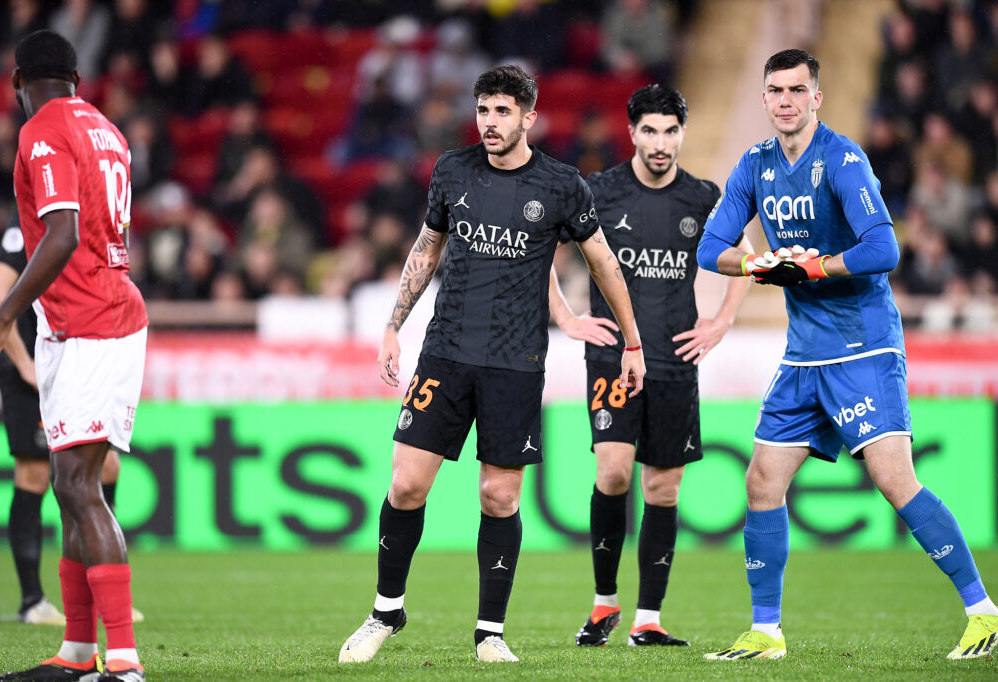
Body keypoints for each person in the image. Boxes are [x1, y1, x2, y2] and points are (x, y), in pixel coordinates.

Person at [696, 48, 998, 661]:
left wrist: (810, 268)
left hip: (864, 344)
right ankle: (765, 632)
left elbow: (884, 248)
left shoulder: (842, 158)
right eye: (775, 91)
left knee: (893, 478)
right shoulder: (754, 165)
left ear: (817, 97)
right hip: (804, 353)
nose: (785, 101)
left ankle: (982, 612)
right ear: (763, 99)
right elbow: (710, 249)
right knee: (762, 481)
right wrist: (765, 266)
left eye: (796, 90)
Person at [338, 64, 646, 665]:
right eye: (483, 110)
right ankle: (385, 611)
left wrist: (630, 341)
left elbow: (601, 264)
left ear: (529, 118)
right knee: (405, 484)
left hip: (514, 363)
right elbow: (428, 248)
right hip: (444, 353)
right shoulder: (452, 171)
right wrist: (392, 326)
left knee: (498, 498)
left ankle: (489, 633)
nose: (490, 122)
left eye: (503, 112)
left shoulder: (561, 186)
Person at [549, 84, 752, 648]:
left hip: (675, 360)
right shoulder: (599, 191)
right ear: (632, 132)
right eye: (650, 131)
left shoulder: (704, 197)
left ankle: (648, 619)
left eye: (670, 131)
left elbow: (748, 253)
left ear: (682, 134)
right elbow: (541, 247)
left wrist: (720, 321)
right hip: (613, 359)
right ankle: (602, 604)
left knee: (663, 489)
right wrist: (566, 318)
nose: (661, 142)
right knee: (613, 472)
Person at [0, 30, 149, 681]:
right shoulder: (106, 128)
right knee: (72, 486)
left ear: (18, 83)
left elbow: (64, 234)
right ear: (77, 77)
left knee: (78, 486)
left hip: (91, 324)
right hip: (96, 317)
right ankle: (79, 656)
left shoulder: (41, 129)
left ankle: (123, 662)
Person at [0, 216, 143, 628]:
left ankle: (99, 595)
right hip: (32, 364)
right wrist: (24, 364)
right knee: (35, 473)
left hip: (73, 358)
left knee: (105, 466)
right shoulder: (29, 229)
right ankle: (32, 601)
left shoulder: (84, 223)